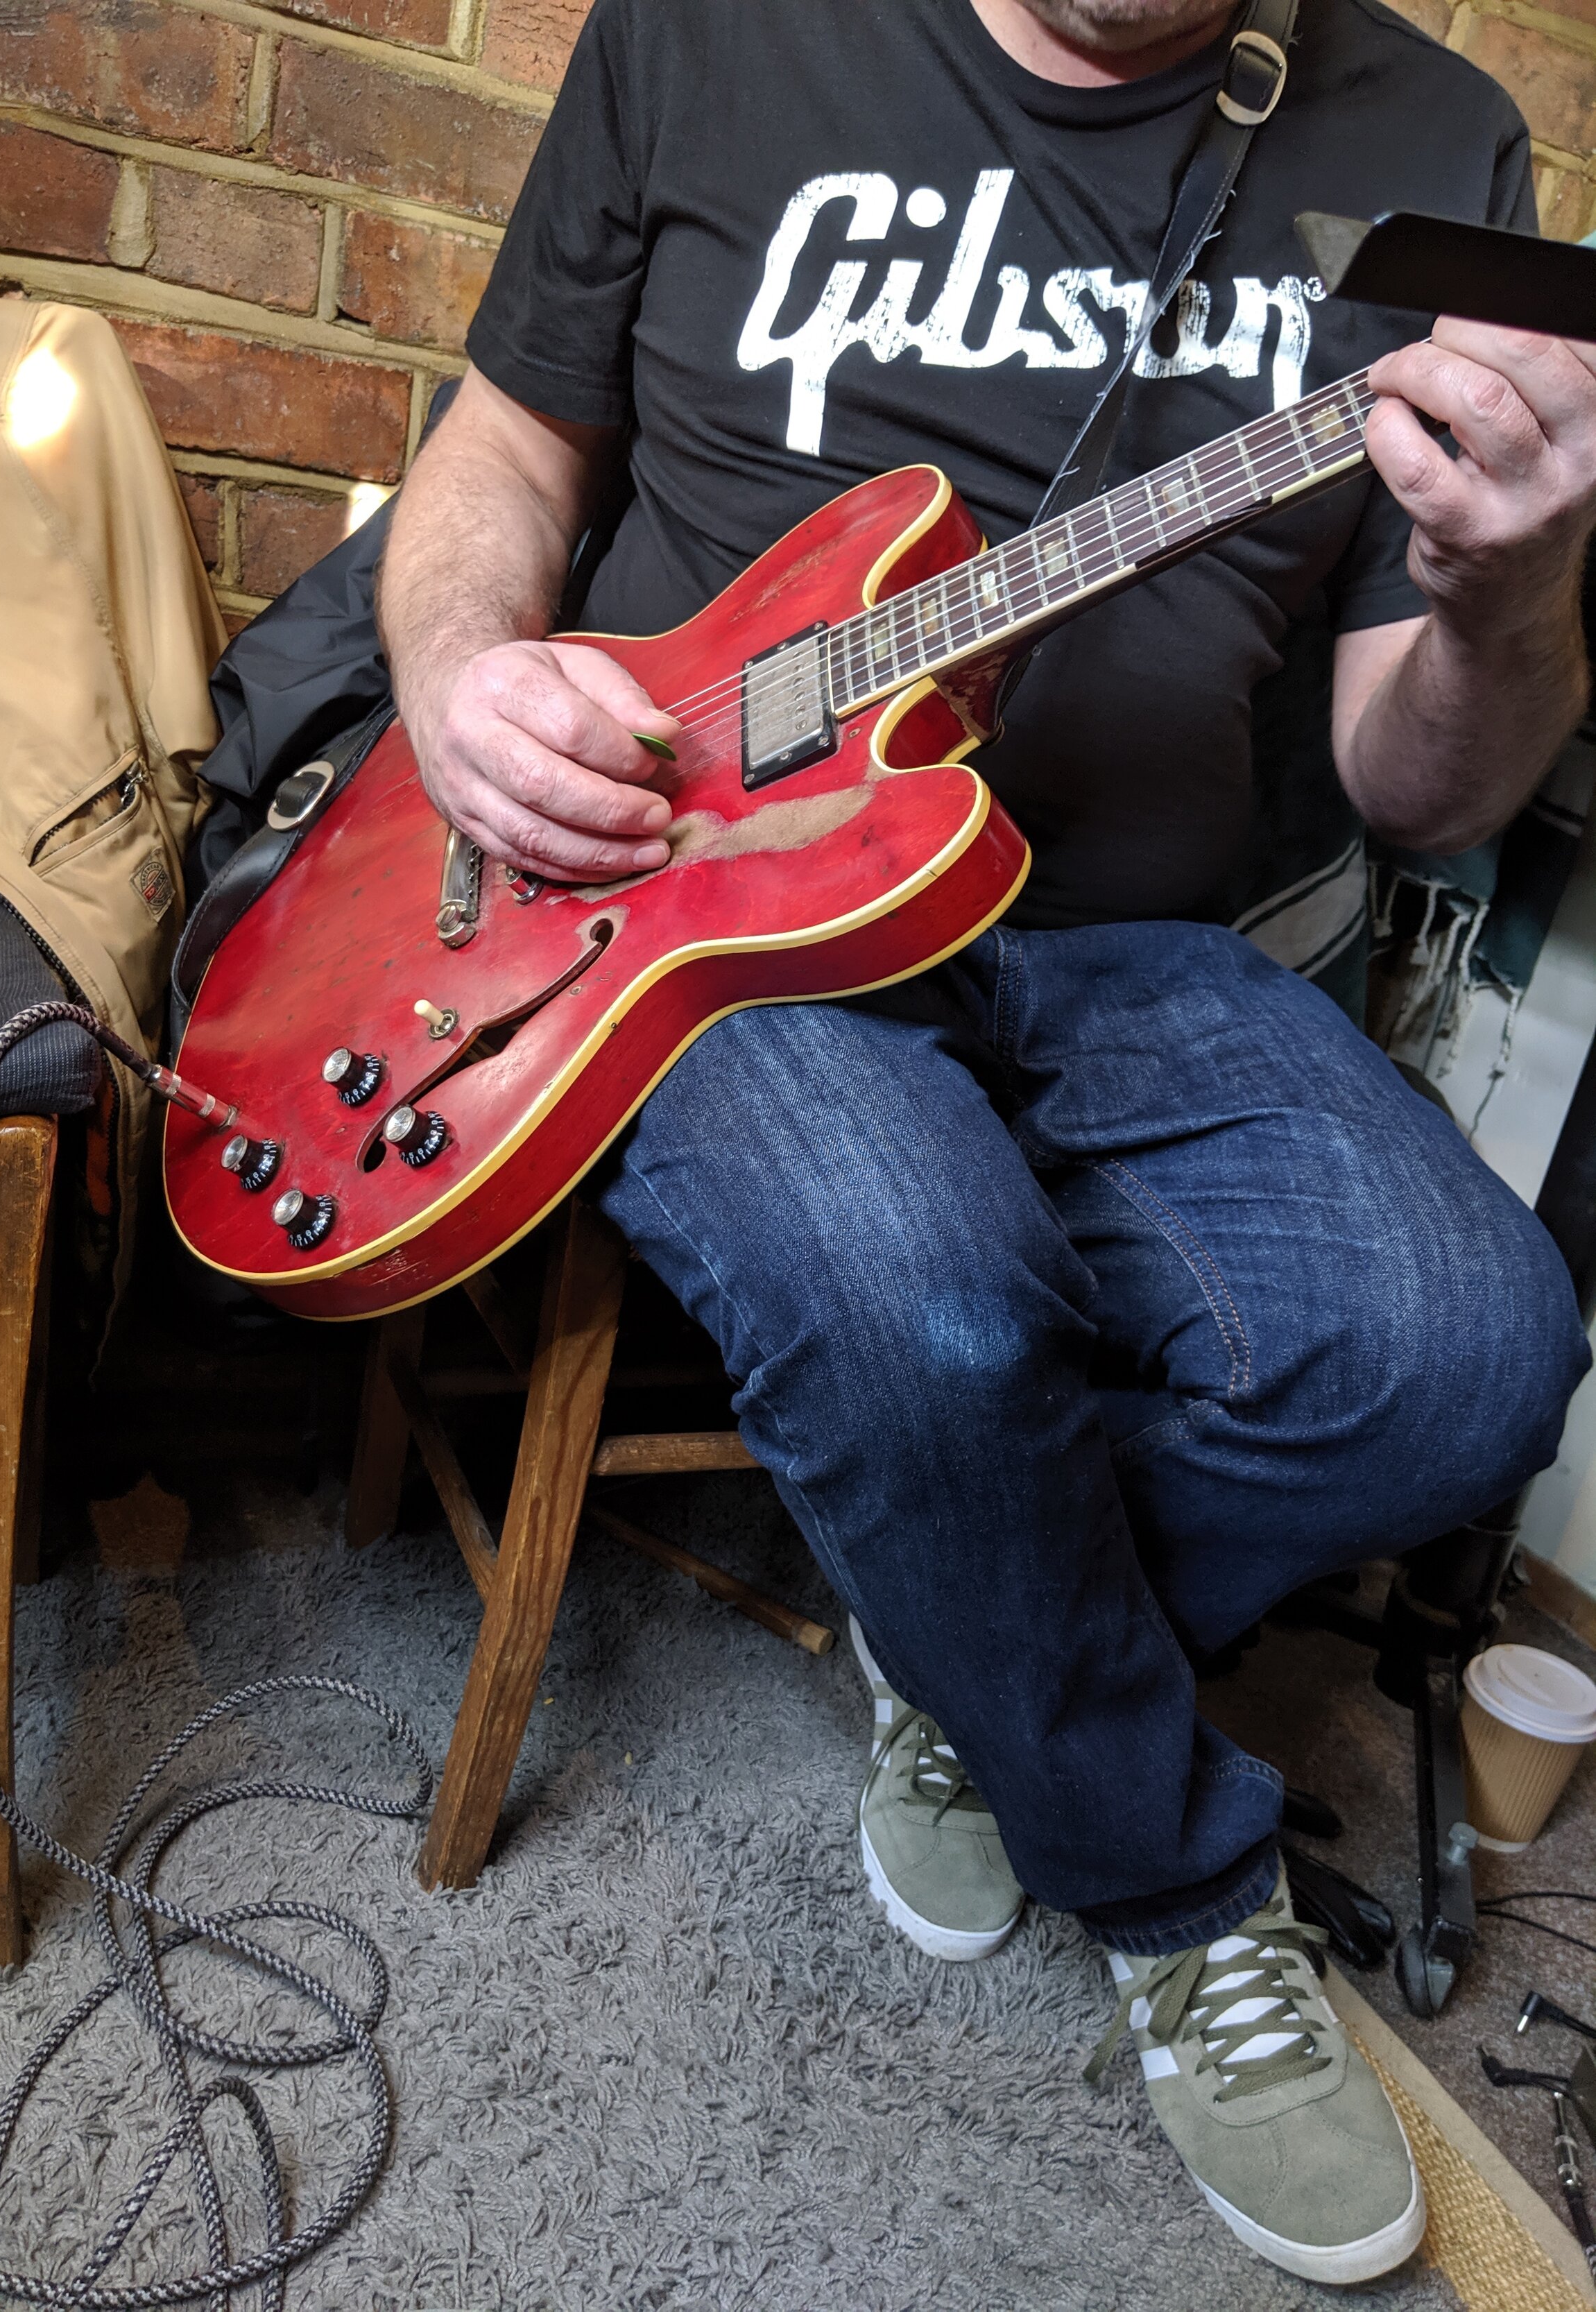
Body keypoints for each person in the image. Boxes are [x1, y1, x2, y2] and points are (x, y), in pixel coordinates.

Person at [378, 0, 1595, 2281]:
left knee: (1471, 1356)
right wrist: (463, 685)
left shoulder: (1442, 147)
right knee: (930, 1308)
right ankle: (1169, 1884)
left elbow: (1418, 789)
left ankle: (969, 1639)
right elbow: (508, 455)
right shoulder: (715, 33)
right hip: (702, 900)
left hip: (1151, 943)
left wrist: (1507, 593)